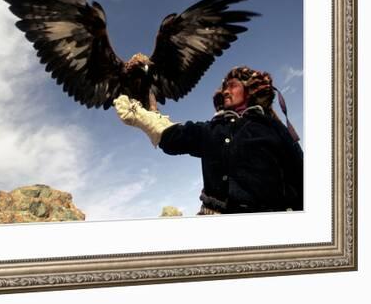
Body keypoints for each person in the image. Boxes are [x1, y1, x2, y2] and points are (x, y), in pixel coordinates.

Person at [113, 66, 303, 215]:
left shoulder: (272, 128)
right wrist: (143, 118)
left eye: (233, 86)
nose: (225, 91)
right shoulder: (212, 129)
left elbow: (301, 177)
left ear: (250, 90)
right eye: (224, 87)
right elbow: (175, 137)